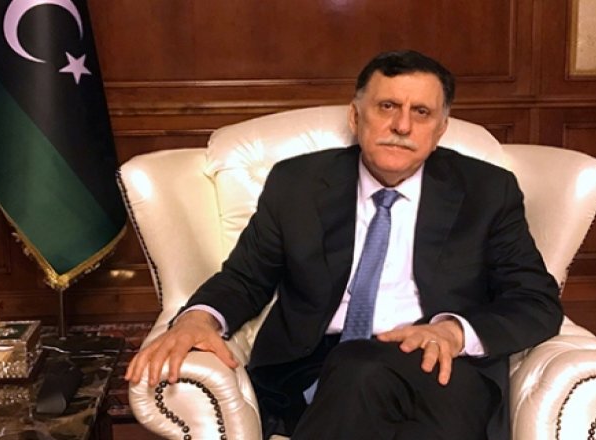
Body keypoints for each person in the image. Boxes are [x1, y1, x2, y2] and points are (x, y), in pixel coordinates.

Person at [126, 50, 562, 440]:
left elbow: (535, 301)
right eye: (387, 106)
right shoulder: (298, 184)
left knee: (362, 369)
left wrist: (452, 331)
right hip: (313, 364)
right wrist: (198, 318)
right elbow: (246, 277)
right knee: (359, 368)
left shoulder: (486, 191)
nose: (402, 126)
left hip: (441, 368)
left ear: (440, 130)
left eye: (421, 112)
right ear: (356, 117)